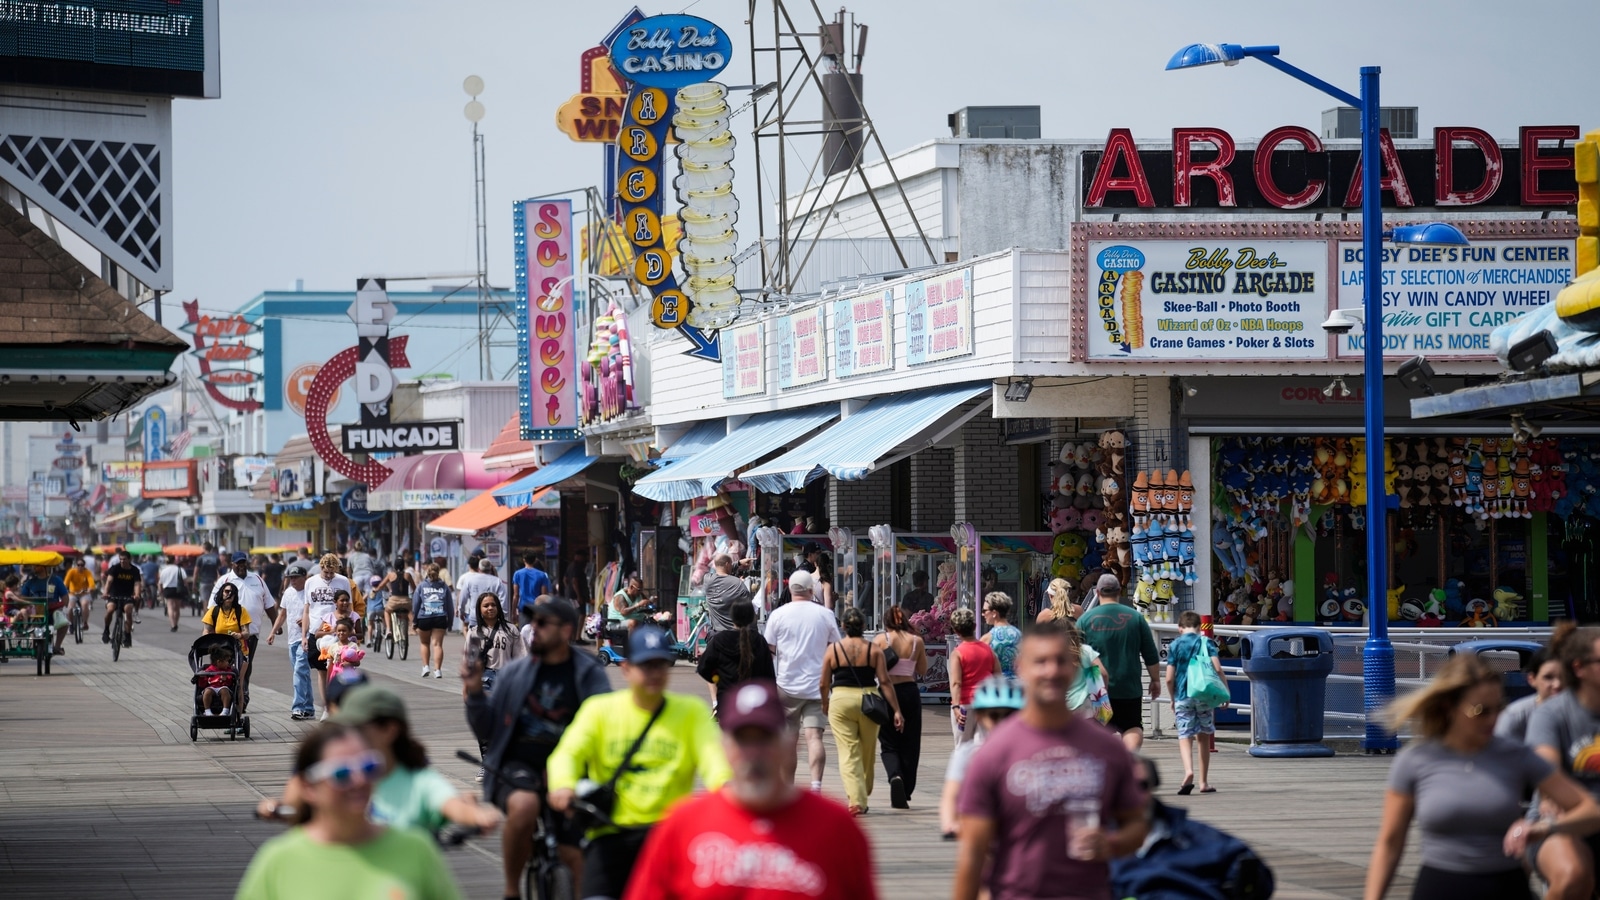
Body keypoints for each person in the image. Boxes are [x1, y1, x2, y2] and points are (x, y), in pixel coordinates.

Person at [1365, 653, 1600, 900]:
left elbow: (1590, 810)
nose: (1493, 719)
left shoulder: (1515, 756)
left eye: (1498, 708)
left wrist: (1544, 827)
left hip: (1505, 888)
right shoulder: (1415, 761)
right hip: (1439, 888)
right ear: (1449, 707)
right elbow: (1390, 843)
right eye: (1480, 711)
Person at [623, 679, 881, 900]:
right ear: (724, 747)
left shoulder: (836, 828)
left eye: (765, 738)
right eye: (742, 739)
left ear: (790, 745)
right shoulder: (682, 825)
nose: (754, 754)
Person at [955, 620, 1150, 900]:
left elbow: (1137, 825)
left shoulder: (1108, 748)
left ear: (1073, 667)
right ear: (1022, 667)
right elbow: (972, 854)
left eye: (1060, 661)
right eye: (1041, 661)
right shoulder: (994, 753)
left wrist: (1112, 841)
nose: (1051, 670)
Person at [547, 625, 732, 900]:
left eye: (660, 664)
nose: (655, 673)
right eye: (646, 665)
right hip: (610, 834)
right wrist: (563, 785)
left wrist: (727, 789)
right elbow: (567, 754)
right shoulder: (600, 710)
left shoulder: (690, 712)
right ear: (626, 669)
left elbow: (715, 759)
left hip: (668, 838)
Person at [463, 597, 609, 900]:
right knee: (525, 806)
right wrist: (475, 693)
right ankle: (511, 889)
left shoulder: (588, 672)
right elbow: (487, 729)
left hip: (572, 771)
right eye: (533, 622)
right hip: (518, 766)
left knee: (577, 856)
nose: (534, 629)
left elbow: (606, 722)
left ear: (566, 630)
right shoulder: (516, 673)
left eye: (543, 623)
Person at [236, 724, 464, 900]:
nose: (359, 780)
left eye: (368, 767)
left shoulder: (416, 849)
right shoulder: (278, 861)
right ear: (309, 787)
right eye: (342, 773)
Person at [1527, 625, 1600, 899]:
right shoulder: (1551, 714)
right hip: (1560, 821)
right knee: (1574, 876)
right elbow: (1549, 779)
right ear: (1580, 668)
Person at [820, 606, 903, 816]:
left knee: (848, 752)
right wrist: (896, 710)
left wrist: (824, 703)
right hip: (869, 700)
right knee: (867, 751)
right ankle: (861, 793)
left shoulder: (833, 650)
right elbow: (885, 682)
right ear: (864, 626)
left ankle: (857, 798)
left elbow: (823, 683)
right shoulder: (874, 650)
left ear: (843, 626)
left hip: (841, 700)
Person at [764, 569, 841, 792]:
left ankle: (788, 786)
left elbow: (769, 647)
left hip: (786, 685)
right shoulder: (825, 615)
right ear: (811, 590)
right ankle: (816, 785)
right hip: (818, 687)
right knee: (814, 737)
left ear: (790, 589)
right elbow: (835, 646)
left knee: (789, 740)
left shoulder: (778, 615)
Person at [1077, 573, 1161, 751]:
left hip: (1096, 688)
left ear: (1098, 593)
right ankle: (1129, 756)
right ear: (1119, 592)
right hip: (1128, 687)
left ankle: (1102, 763)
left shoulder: (1084, 620)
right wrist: (1155, 680)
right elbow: (1150, 654)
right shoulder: (1136, 618)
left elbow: (1076, 653)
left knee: (1098, 729)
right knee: (1131, 727)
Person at [940, 674, 1024, 839]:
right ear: (979, 716)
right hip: (981, 824)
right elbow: (950, 796)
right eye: (993, 715)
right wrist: (950, 823)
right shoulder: (967, 754)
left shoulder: (1027, 750)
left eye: (1008, 715)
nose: (1000, 721)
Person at [1164, 610, 1225, 794]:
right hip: (1204, 695)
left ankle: (1188, 770)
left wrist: (1173, 699)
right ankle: (1203, 782)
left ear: (1179, 628)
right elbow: (1218, 668)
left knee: (1185, 735)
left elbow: (1168, 678)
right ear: (1200, 627)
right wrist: (1226, 692)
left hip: (1183, 695)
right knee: (1203, 737)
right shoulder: (1206, 642)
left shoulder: (1175, 645)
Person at [873, 605, 927, 810]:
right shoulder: (917, 642)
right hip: (910, 692)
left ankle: (894, 775)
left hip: (887, 692)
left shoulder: (881, 640)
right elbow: (922, 670)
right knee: (911, 742)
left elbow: (873, 668)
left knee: (888, 742)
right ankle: (907, 788)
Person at [695, 599, 775, 714]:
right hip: (754, 702)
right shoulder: (759, 640)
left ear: (732, 617)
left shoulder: (719, 640)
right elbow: (769, 675)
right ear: (752, 617)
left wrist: (718, 678)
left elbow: (703, 667)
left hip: (727, 700)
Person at [1497, 622, 1572, 742]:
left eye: (1563, 677)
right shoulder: (1515, 716)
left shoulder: (1582, 713)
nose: (1557, 684)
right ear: (1532, 679)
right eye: (1548, 677)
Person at [209, 551, 278, 662]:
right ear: (232, 564)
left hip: (251, 633)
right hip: (227, 634)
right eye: (238, 563)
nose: (241, 566)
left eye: (243, 563)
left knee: (246, 666)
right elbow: (212, 607)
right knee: (229, 665)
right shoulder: (224, 581)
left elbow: (269, 604)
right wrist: (210, 631)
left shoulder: (257, 579)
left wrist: (276, 624)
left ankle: (243, 680)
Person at [947, 607, 999, 747]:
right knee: (983, 747)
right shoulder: (988, 650)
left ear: (956, 631)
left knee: (962, 747)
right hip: (986, 703)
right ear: (974, 626)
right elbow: (998, 677)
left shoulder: (958, 653)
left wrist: (956, 706)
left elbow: (956, 683)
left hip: (965, 704)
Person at [271, 562, 316, 720]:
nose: (293, 581)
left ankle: (297, 707)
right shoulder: (288, 592)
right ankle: (309, 707)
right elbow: (282, 614)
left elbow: (317, 613)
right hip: (292, 640)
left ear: (305, 578)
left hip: (307, 638)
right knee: (302, 674)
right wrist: (272, 632)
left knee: (299, 671)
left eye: (296, 578)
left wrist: (307, 619)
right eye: (291, 578)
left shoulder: (310, 592)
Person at [470, 592, 524, 694]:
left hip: (506, 676)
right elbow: (469, 661)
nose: (490, 608)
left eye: (493, 605)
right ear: (479, 609)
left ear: (498, 607)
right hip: (484, 677)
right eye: (486, 606)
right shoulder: (474, 632)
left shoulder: (511, 629)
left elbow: (520, 656)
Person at [204, 581, 254, 683]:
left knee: (238, 681)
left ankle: (240, 696)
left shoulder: (241, 611)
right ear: (221, 593)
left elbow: (247, 633)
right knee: (218, 679)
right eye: (227, 591)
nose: (229, 594)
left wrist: (239, 635)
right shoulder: (214, 611)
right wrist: (208, 643)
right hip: (220, 652)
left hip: (239, 651)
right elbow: (206, 630)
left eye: (232, 592)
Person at [413, 563, 453, 679]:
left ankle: (425, 667)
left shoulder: (421, 586)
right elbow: (449, 606)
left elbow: (416, 604)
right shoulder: (444, 586)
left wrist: (415, 621)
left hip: (424, 617)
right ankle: (438, 670)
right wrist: (449, 622)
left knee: (424, 643)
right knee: (437, 645)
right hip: (440, 618)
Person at [22, 563, 68, 655]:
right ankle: (32, 642)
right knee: (31, 621)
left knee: (64, 622)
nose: (33, 567)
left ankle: (57, 647)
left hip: (52, 610)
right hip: (35, 611)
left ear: (45, 567)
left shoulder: (56, 580)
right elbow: (22, 598)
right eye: (33, 566)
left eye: (36, 565)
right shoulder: (29, 582)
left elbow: (65, 599)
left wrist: (57, 605)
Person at [701, 553, 750, 635]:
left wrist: (738, 563)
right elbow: (748, 609)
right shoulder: (737, 584)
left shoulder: (707, 579)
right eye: (730, 564)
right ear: (727, 564)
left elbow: (723, 568)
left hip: (716, 634)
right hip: (734, 635)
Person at [101, 549, 142, 646]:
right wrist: (106, 592)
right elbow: (109, 581)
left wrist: (137, 594)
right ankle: (106, 630)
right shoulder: (115, 568)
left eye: (124, 559)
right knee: (110, 610)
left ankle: (127, 635)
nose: (122, 561)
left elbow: (137, 584)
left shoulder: (134, 570)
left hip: (127, 595)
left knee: (128, 611)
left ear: (129, 559)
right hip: (114, 594)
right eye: (121, 559)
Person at [981, 592, 1022, 677]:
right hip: (1018, 685)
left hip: (997, 686)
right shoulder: (1018, 634)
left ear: (994, 613)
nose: (983, 614)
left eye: (984, 611)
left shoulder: (988, 638)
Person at [457, 557, 505, 630]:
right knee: (491, 639)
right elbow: (503, 599)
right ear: (490, 568)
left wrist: (461, 611)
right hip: (492, 617)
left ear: (479, 568)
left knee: (475, 639)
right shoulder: (497, 581)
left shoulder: (470, 580)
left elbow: (463, 598)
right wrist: (503, 614)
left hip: (475, 616)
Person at [61, 557, 94, 651]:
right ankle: (71, 624)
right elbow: (65, 583)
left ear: (84, 566)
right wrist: (64, 589)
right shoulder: (71, 572)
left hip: (84, 593)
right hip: (73, 593)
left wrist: (90, 589)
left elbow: (91, 583)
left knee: (85, 604)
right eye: (78, 565)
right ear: (76, 565)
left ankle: (85, 622)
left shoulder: (87, 572)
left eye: (82, 565)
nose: (80, 567)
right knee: (70, 607)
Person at [197, 644, 237, 716]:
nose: (228, 663)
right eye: (226, 661)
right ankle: (207, 710)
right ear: (219, 662)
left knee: (224, 691)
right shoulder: (209, 670)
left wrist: (226, 679)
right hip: (211, 687)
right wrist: (202, 677)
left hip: (223, 687)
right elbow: (202, 684)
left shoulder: (228, 670)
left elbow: (231, 681)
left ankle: (225, 710)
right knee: (207, 692)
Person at [158, 554, 186, 632]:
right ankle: (176, 623)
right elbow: (185, 580)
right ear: (174, 560)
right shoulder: (179, 569)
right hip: (178, 589)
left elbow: (160, 582)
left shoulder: (164, 570)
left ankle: (173, 624)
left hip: (168, 589)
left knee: (170, 607)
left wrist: (160, 591)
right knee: (177, 608)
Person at [195, 543, 220, 615]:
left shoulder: (200, 558)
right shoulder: (216, 558)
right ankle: (213, 619)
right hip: (214, 582)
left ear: (204, 548)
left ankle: (207, 621)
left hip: (203, 582)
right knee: (214, 602)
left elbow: (196, 572)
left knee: (205, 602)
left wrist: (194, 584)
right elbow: (219, 572)